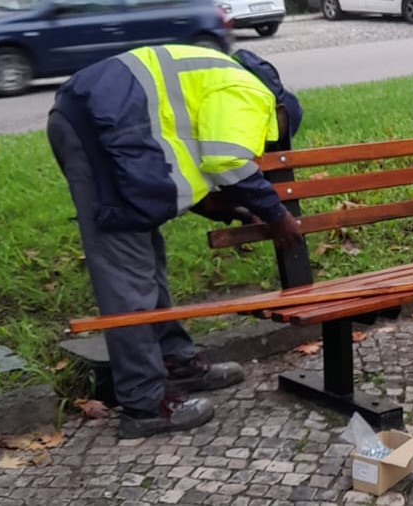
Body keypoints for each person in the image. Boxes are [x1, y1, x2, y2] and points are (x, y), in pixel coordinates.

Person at [47, 45, 304, 438]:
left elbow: (190, 166)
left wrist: (231, 210)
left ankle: (175, 363)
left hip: (105, 124)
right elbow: (228, 162)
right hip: (98, 127)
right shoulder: (253, 96)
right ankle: (145, 404)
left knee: (146, 261)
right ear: (281, 118)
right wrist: (277, 216)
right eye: (271, 143)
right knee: (126, 277)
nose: (263, 149)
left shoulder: (222, 81)